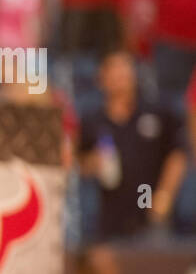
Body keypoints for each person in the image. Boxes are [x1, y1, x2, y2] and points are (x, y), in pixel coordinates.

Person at [76, 50, 185, 239]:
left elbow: (178, 153)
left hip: (148, 207)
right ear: (102, 77)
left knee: (151, 262)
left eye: (126, 67)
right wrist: (92, 163)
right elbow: (77, 162)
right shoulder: (92, 120)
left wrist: (165, 195)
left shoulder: (156, 112)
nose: (121, 75)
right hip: (106, 217)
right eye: (114, 69)